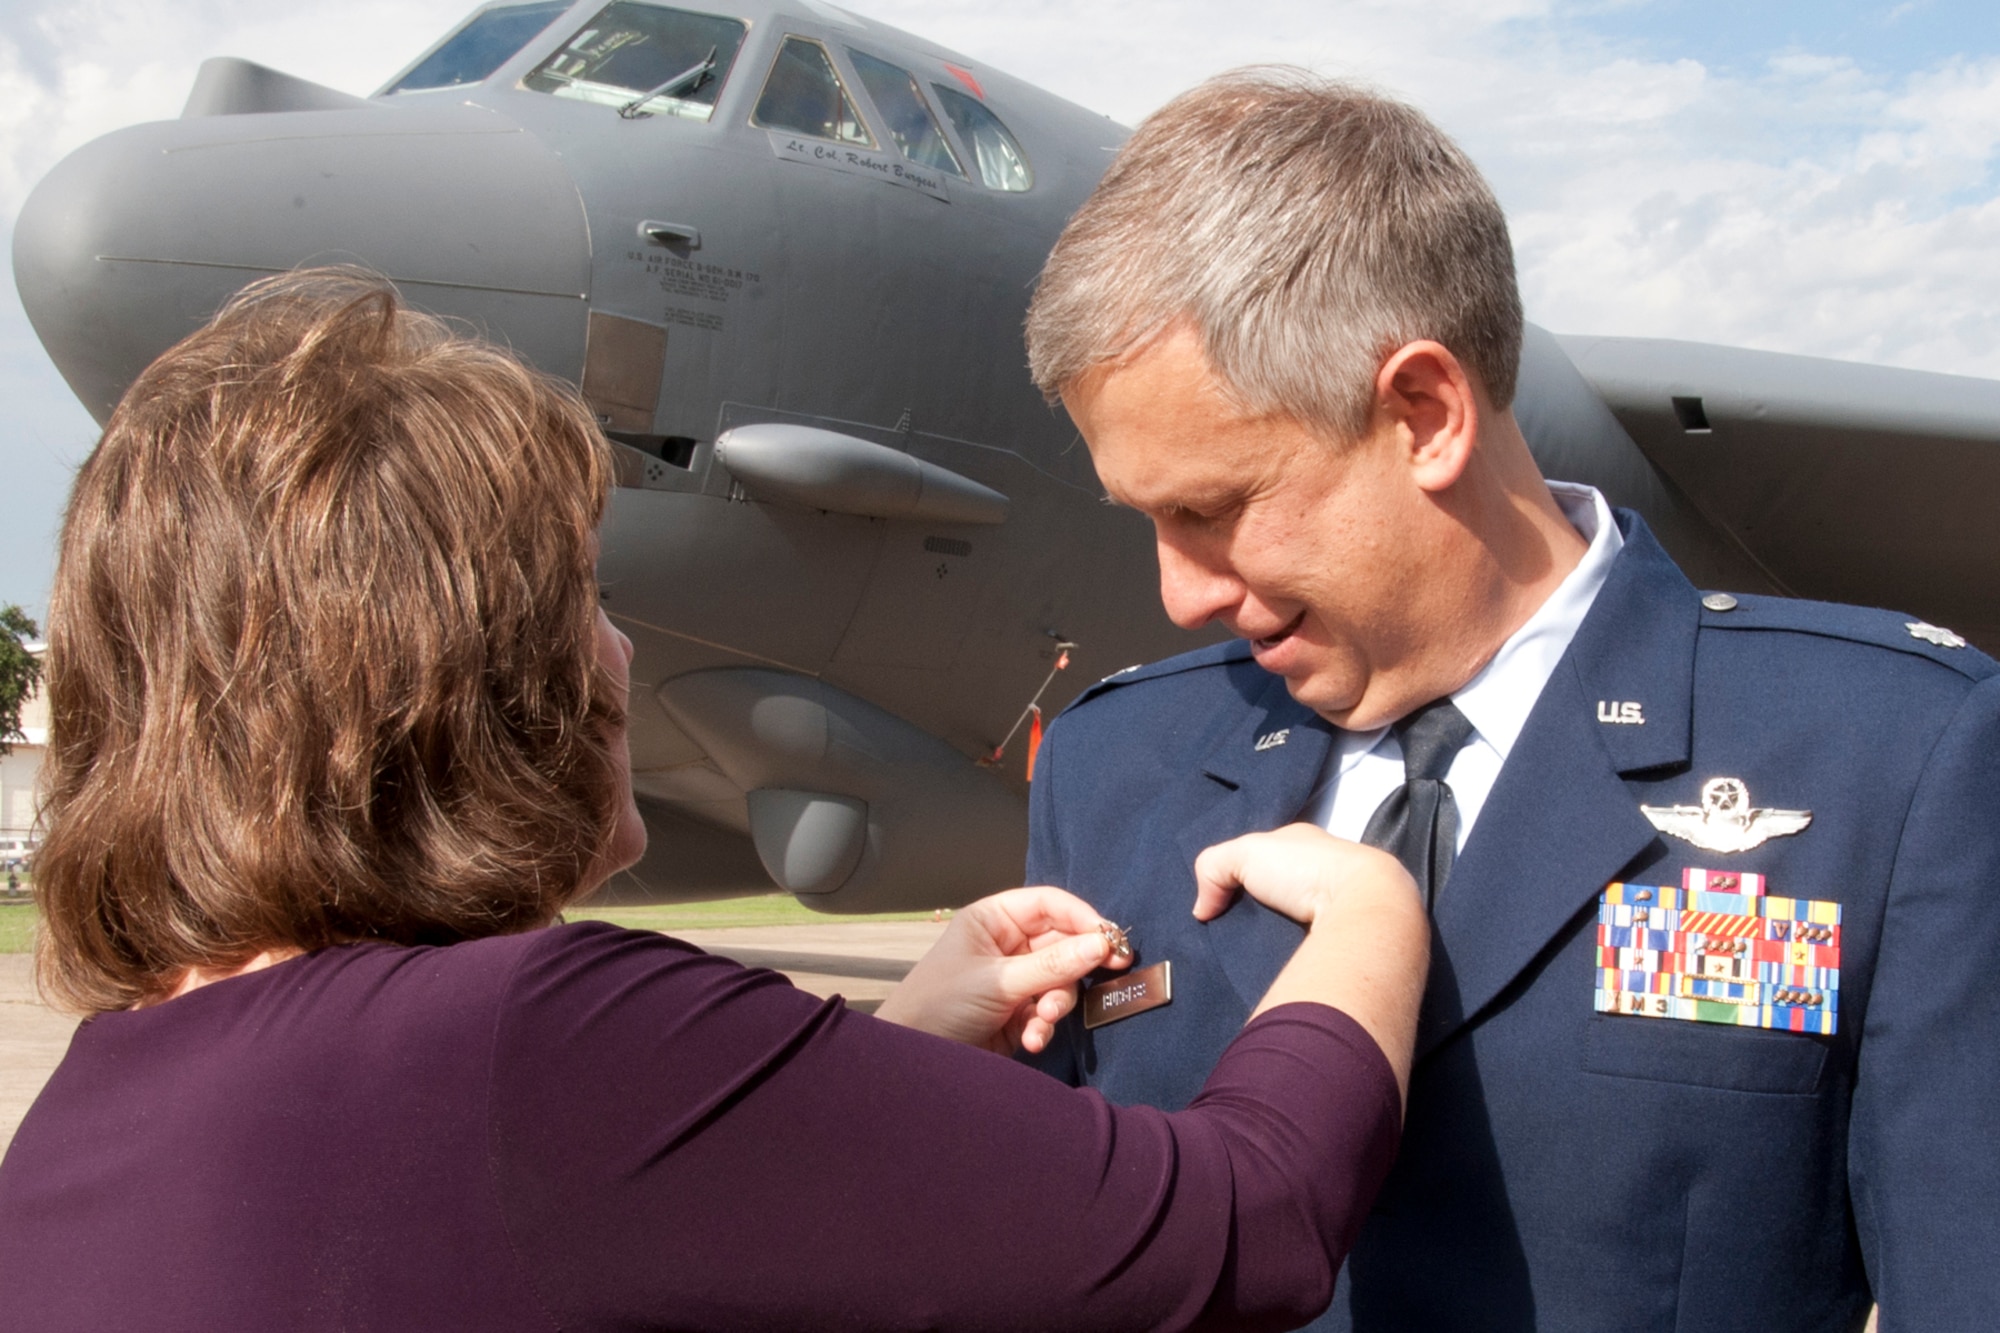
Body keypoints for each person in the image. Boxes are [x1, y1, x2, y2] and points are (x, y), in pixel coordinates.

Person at [0, 269, 1432, 1331]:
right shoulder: (536, 1043)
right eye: (584, 598)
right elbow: (1246, 1223)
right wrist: (1368, 920)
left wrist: (894, 1054)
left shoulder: (85, 1115)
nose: (618, 649)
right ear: (468, 676)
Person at [1020, 69, 2000, 1332]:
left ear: (1423, 414)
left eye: (1209, 511)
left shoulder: (1891, 757)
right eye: (1147, 520)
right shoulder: (1120, 763)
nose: (1178, 594)